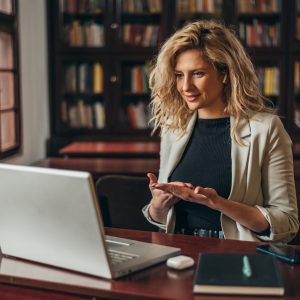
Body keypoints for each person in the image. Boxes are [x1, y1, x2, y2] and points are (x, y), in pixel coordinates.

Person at [142, 20, 299, 242]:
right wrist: (158, 205)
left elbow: (287, 222)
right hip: (178, 252)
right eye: (179, 75)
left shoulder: (266, 129)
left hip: (237, 255)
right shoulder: (173, 126)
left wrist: (217, 203)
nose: (185, 86)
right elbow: (160, 219)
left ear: (224, 74)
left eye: (197, 74)